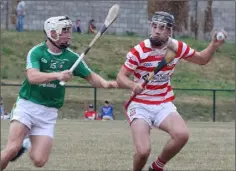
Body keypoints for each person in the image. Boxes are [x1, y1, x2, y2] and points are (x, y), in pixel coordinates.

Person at [0, 16, 118, 170]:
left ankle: (26, 142)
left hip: (48, 113)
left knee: (39, 161)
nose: (69, 35)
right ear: (52, 33)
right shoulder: (37, 52)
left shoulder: (71, 57)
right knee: (12, 149)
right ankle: (20, 143)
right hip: (27, 106)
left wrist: (105, 83)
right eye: (65, 31)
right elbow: (32, 76)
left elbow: (91, 76)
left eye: (69, 31)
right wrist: (57, 75)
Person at [116, 11, 227, 171]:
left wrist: (213, 46)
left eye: (162, 27)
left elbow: (202, 59)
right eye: (154, 26)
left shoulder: (177, 47)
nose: (157, 30)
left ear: (169, 31)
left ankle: (157, 167)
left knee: (182, 135)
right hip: (140, 105)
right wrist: (133, 86)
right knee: (143, 152)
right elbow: (121, 77)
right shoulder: (139, 50)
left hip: (163, 103)